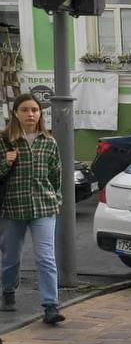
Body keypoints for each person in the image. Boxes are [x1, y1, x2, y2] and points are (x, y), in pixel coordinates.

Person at [0, 94, 64, 324]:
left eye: (35, 110)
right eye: (25, 110)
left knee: (46, 257)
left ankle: (51, 306)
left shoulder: (49, 141)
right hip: (13, 207)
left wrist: (57, 199)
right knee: (10, 258)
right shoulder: (5, 140)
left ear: (40, 114)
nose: (31, 114)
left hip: (43, 207)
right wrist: (4, 162)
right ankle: (8, 290)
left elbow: (56, 174)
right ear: (16, 113)